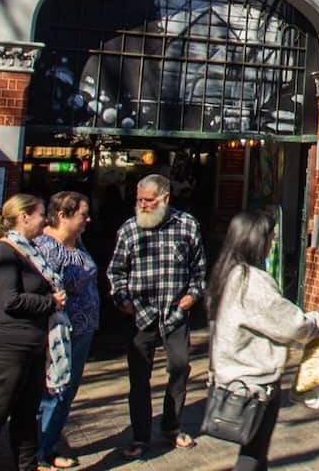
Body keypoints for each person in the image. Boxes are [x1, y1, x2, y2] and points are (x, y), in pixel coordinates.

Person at [206, 208, 319, 471]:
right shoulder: (252, 281)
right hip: (254, 382)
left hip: (231, 374)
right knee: (253, 453)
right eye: (271, 237)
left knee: (254, 453)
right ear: (257, 239)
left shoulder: (226, 273)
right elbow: (291, 324)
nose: (273, 242)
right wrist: (317, 320)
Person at [108, 175, 208, 458]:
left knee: (180, 367)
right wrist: (122, 300)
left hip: (175, 312)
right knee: (139, 377)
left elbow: (199, 267)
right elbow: (116, 271)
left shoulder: (187, 225)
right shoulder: (129, 229)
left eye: (148, 200)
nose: (142, 205)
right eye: (139, 200)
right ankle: (140, 436)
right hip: (140, 314)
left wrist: (192, 296)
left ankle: (172, 426)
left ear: (165, 199)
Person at [0, 194, 66, 471]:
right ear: (24, 217)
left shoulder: (28, 250)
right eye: (40, 214)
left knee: (26, 415)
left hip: (31, 346)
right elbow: (9, 300)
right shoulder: (3, 253)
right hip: (4, 348)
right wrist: (51, 303)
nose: (44, 220)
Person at [33, 192, 97, 470]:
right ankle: (37, 452)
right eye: (83, 214)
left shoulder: (76, 242)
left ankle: (50, 447)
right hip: (59, 332)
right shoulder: (44, 248)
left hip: (82, 330)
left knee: (67, 391)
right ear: (62, 215)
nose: (88, 219)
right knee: (53, 390)